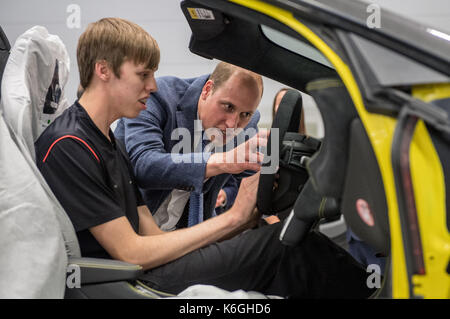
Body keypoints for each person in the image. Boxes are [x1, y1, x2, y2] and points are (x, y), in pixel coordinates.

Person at [35, 17, 374, 298]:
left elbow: (152, 236)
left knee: (286, 241)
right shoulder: (70, 144)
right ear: (103, 71)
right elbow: (133, 252)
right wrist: (233, 218)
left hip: (150, 265)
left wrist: (246, 217)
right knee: (283, 248)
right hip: (129, 282)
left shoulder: (106, 140)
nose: (153, 86)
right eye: (143, 75)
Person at [115, 61, 265, 230]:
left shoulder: (249, 124)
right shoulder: (157, 97)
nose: (232, 124)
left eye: (245, 114)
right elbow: (144, 165)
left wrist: (272, 171)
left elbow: (250, 175)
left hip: (187, 235)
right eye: (228, 107)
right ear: (207, 90)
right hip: (127, 229)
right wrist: (218, 162)